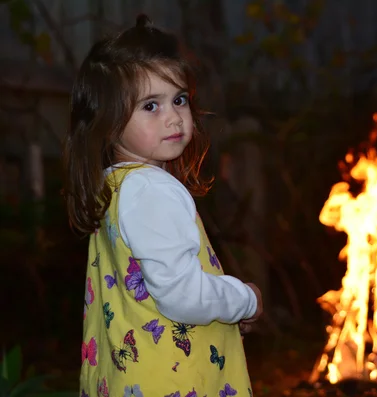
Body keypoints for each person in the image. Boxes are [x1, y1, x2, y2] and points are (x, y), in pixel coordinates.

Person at [63, 14, 263, 397]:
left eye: (179, 99)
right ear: (108, 121)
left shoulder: (117, 185)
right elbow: (182, 295)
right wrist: (245, 299)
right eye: (150, 106)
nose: (173, 116)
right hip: (175, 382)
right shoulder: (151, 190)